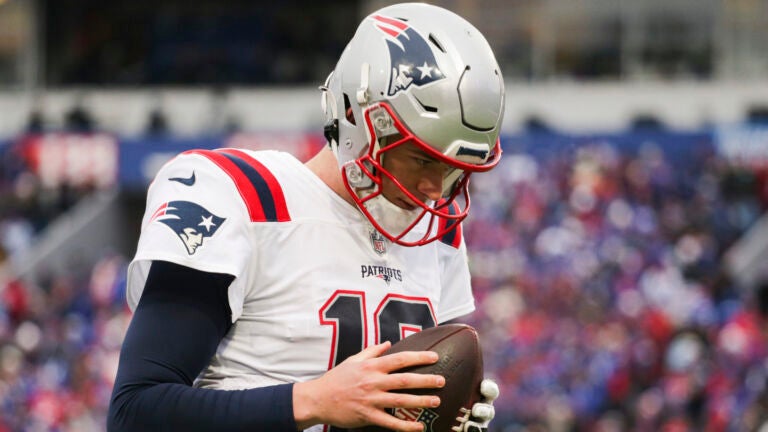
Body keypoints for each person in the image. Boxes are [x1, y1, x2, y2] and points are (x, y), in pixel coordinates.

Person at [108, 3, 505, 431]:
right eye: (421, 160)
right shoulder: (244, 196)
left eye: (454, 171)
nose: (435, 188)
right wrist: (313, 400)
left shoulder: (437, 231)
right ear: (358, 117)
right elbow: (136, 411)